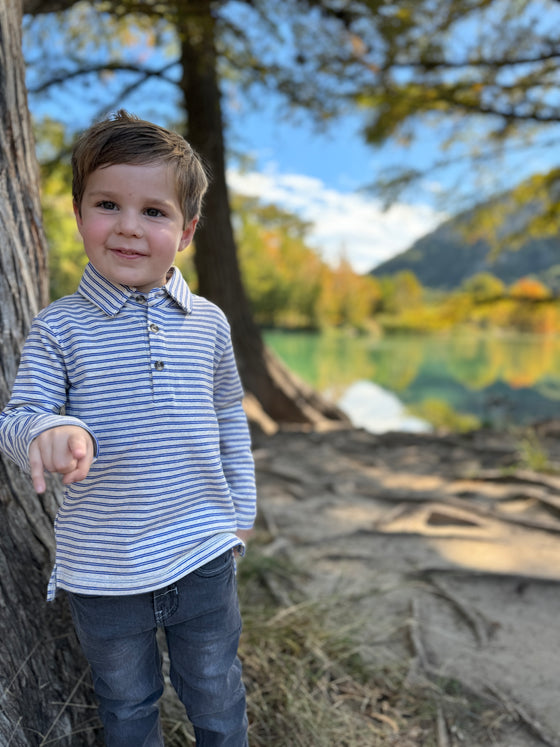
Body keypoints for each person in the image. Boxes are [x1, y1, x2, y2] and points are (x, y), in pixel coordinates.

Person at [0, 110, 257, 746]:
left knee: (217, 693)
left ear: (188, 229)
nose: (128, 228)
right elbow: (18, 414)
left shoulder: (210, 324)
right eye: (108, 204)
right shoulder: (61, 327)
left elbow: (229, 413)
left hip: (202, 550)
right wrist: (47, 431)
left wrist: (241, 507)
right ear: (80, 212)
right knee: (127, 705)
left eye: (155, 212)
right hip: (105, 567)